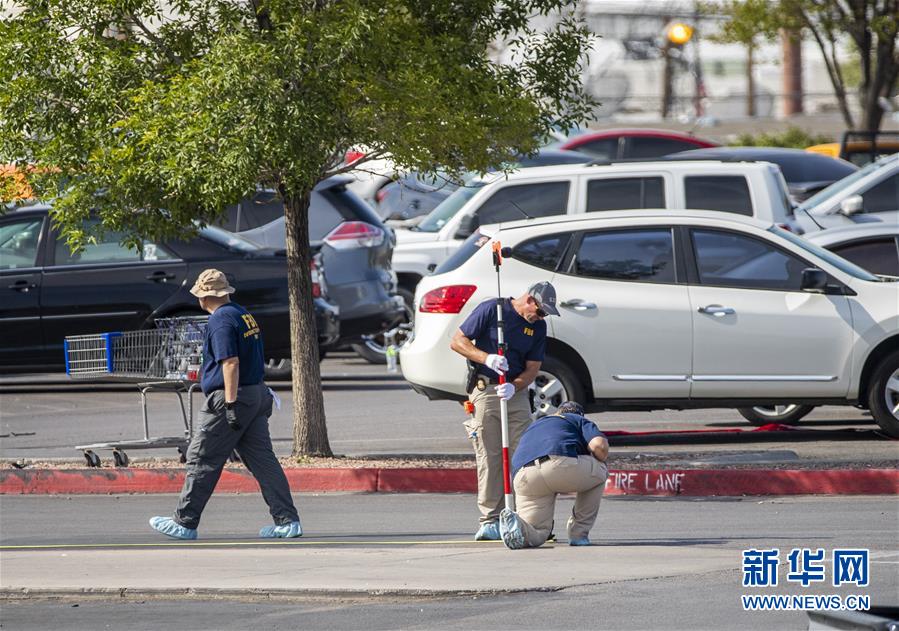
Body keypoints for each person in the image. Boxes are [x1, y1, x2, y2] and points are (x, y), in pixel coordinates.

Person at [150, 269, 302, 540]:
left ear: (204, 297)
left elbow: (230, 363)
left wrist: (230, 404)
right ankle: (287, 520)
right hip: (256, 394)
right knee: (263, 461)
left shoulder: (219, 321)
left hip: (232, 397)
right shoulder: (243, 314)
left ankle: (185, 521)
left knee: (202, 457)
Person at [450, 281, 560, 540]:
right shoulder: (493, 310)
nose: (541, 317)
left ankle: (528, 516)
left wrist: (514, 386)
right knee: (489, 457)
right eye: (541, 311)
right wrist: (485, 357)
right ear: (530, 300)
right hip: (486, 388)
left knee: (525, 454)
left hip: (514, 393)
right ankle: (491, 519)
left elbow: (532, 368)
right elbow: (457, 341)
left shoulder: (538, 327)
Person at [498, 401, 609, 549]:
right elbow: (599, 446)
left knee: (539, 531)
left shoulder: (536, 424)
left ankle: (519, 528)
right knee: (600, 471)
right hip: (557, 463)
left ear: (558, 412)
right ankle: (578, 534)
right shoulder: (578, 420)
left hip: (523, 474)